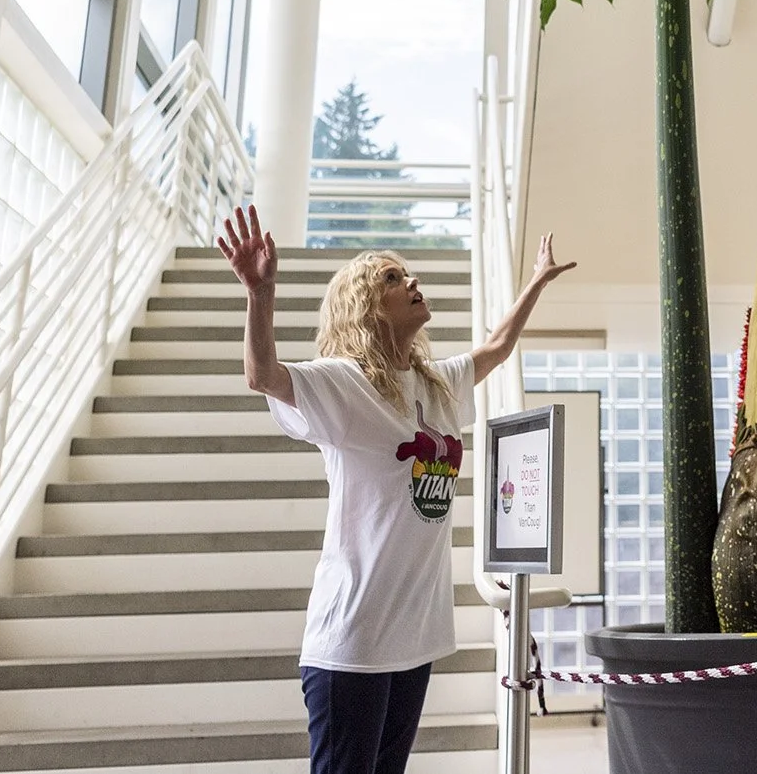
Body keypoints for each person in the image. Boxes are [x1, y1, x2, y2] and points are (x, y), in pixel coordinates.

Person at [216, 205, 575, 774]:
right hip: (352, 643)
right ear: (365, 308)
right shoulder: (343, 383)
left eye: (406, 272)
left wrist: (535, 281)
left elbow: (498, 347)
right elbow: (263, 375)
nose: (411, 281)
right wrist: (260, 293)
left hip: (412, 641)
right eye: (391, 277)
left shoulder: (437, 385)